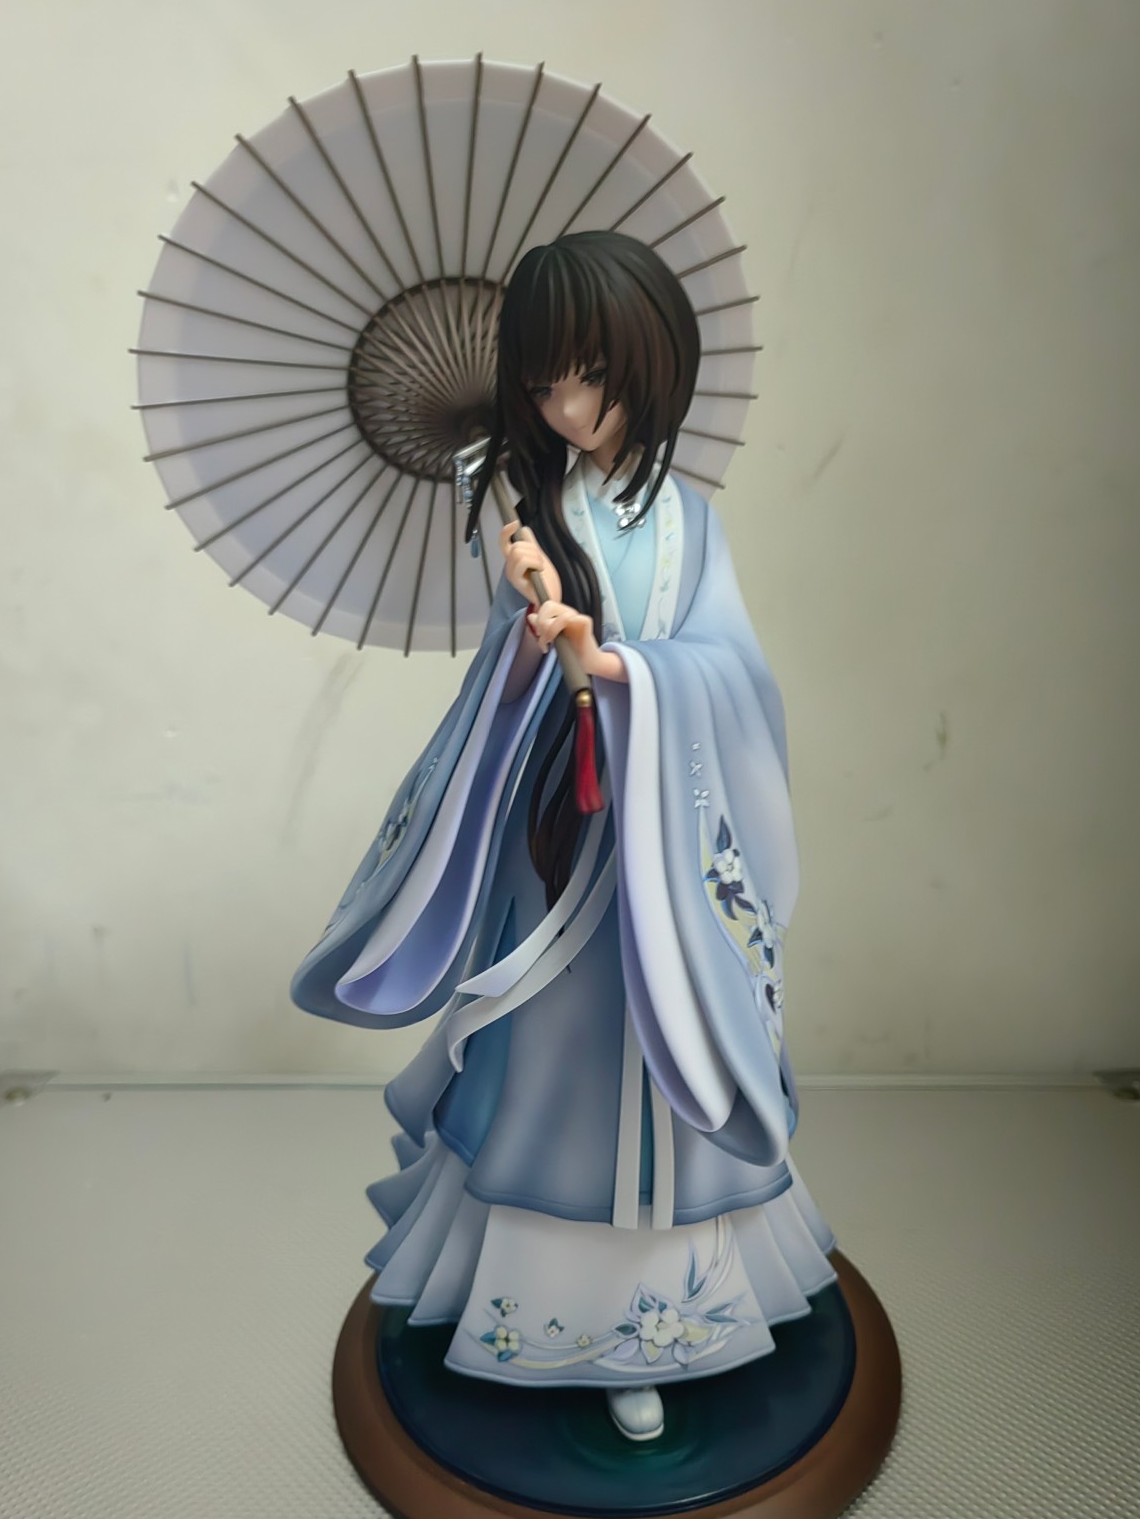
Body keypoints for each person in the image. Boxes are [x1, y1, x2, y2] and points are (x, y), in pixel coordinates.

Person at [291, 230, 838, 1443]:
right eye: (545, 386)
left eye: (591, 377)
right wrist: (531, 633)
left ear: (651, 362)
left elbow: (733, 680)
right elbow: (496, 698)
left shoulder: (692, 523)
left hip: (661, 857)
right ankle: (553, 1326)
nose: (569, 409)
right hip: (560, 850)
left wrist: (622, 666)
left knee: (667, 1072)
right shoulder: (530, 515)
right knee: (551, 1078)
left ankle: (667, 1326)